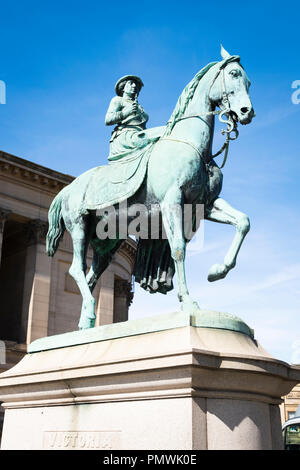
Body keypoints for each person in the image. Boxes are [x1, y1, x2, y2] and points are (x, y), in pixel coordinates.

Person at [105, 75, 164, 161]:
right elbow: (108, 120)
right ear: (123, 88)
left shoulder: (139, 106)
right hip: (125, 137)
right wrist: (126, 112)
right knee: (162, 131)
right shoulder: (118, 100)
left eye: (136, 84)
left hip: (139, 134)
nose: (134, 86)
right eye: (131, 83)